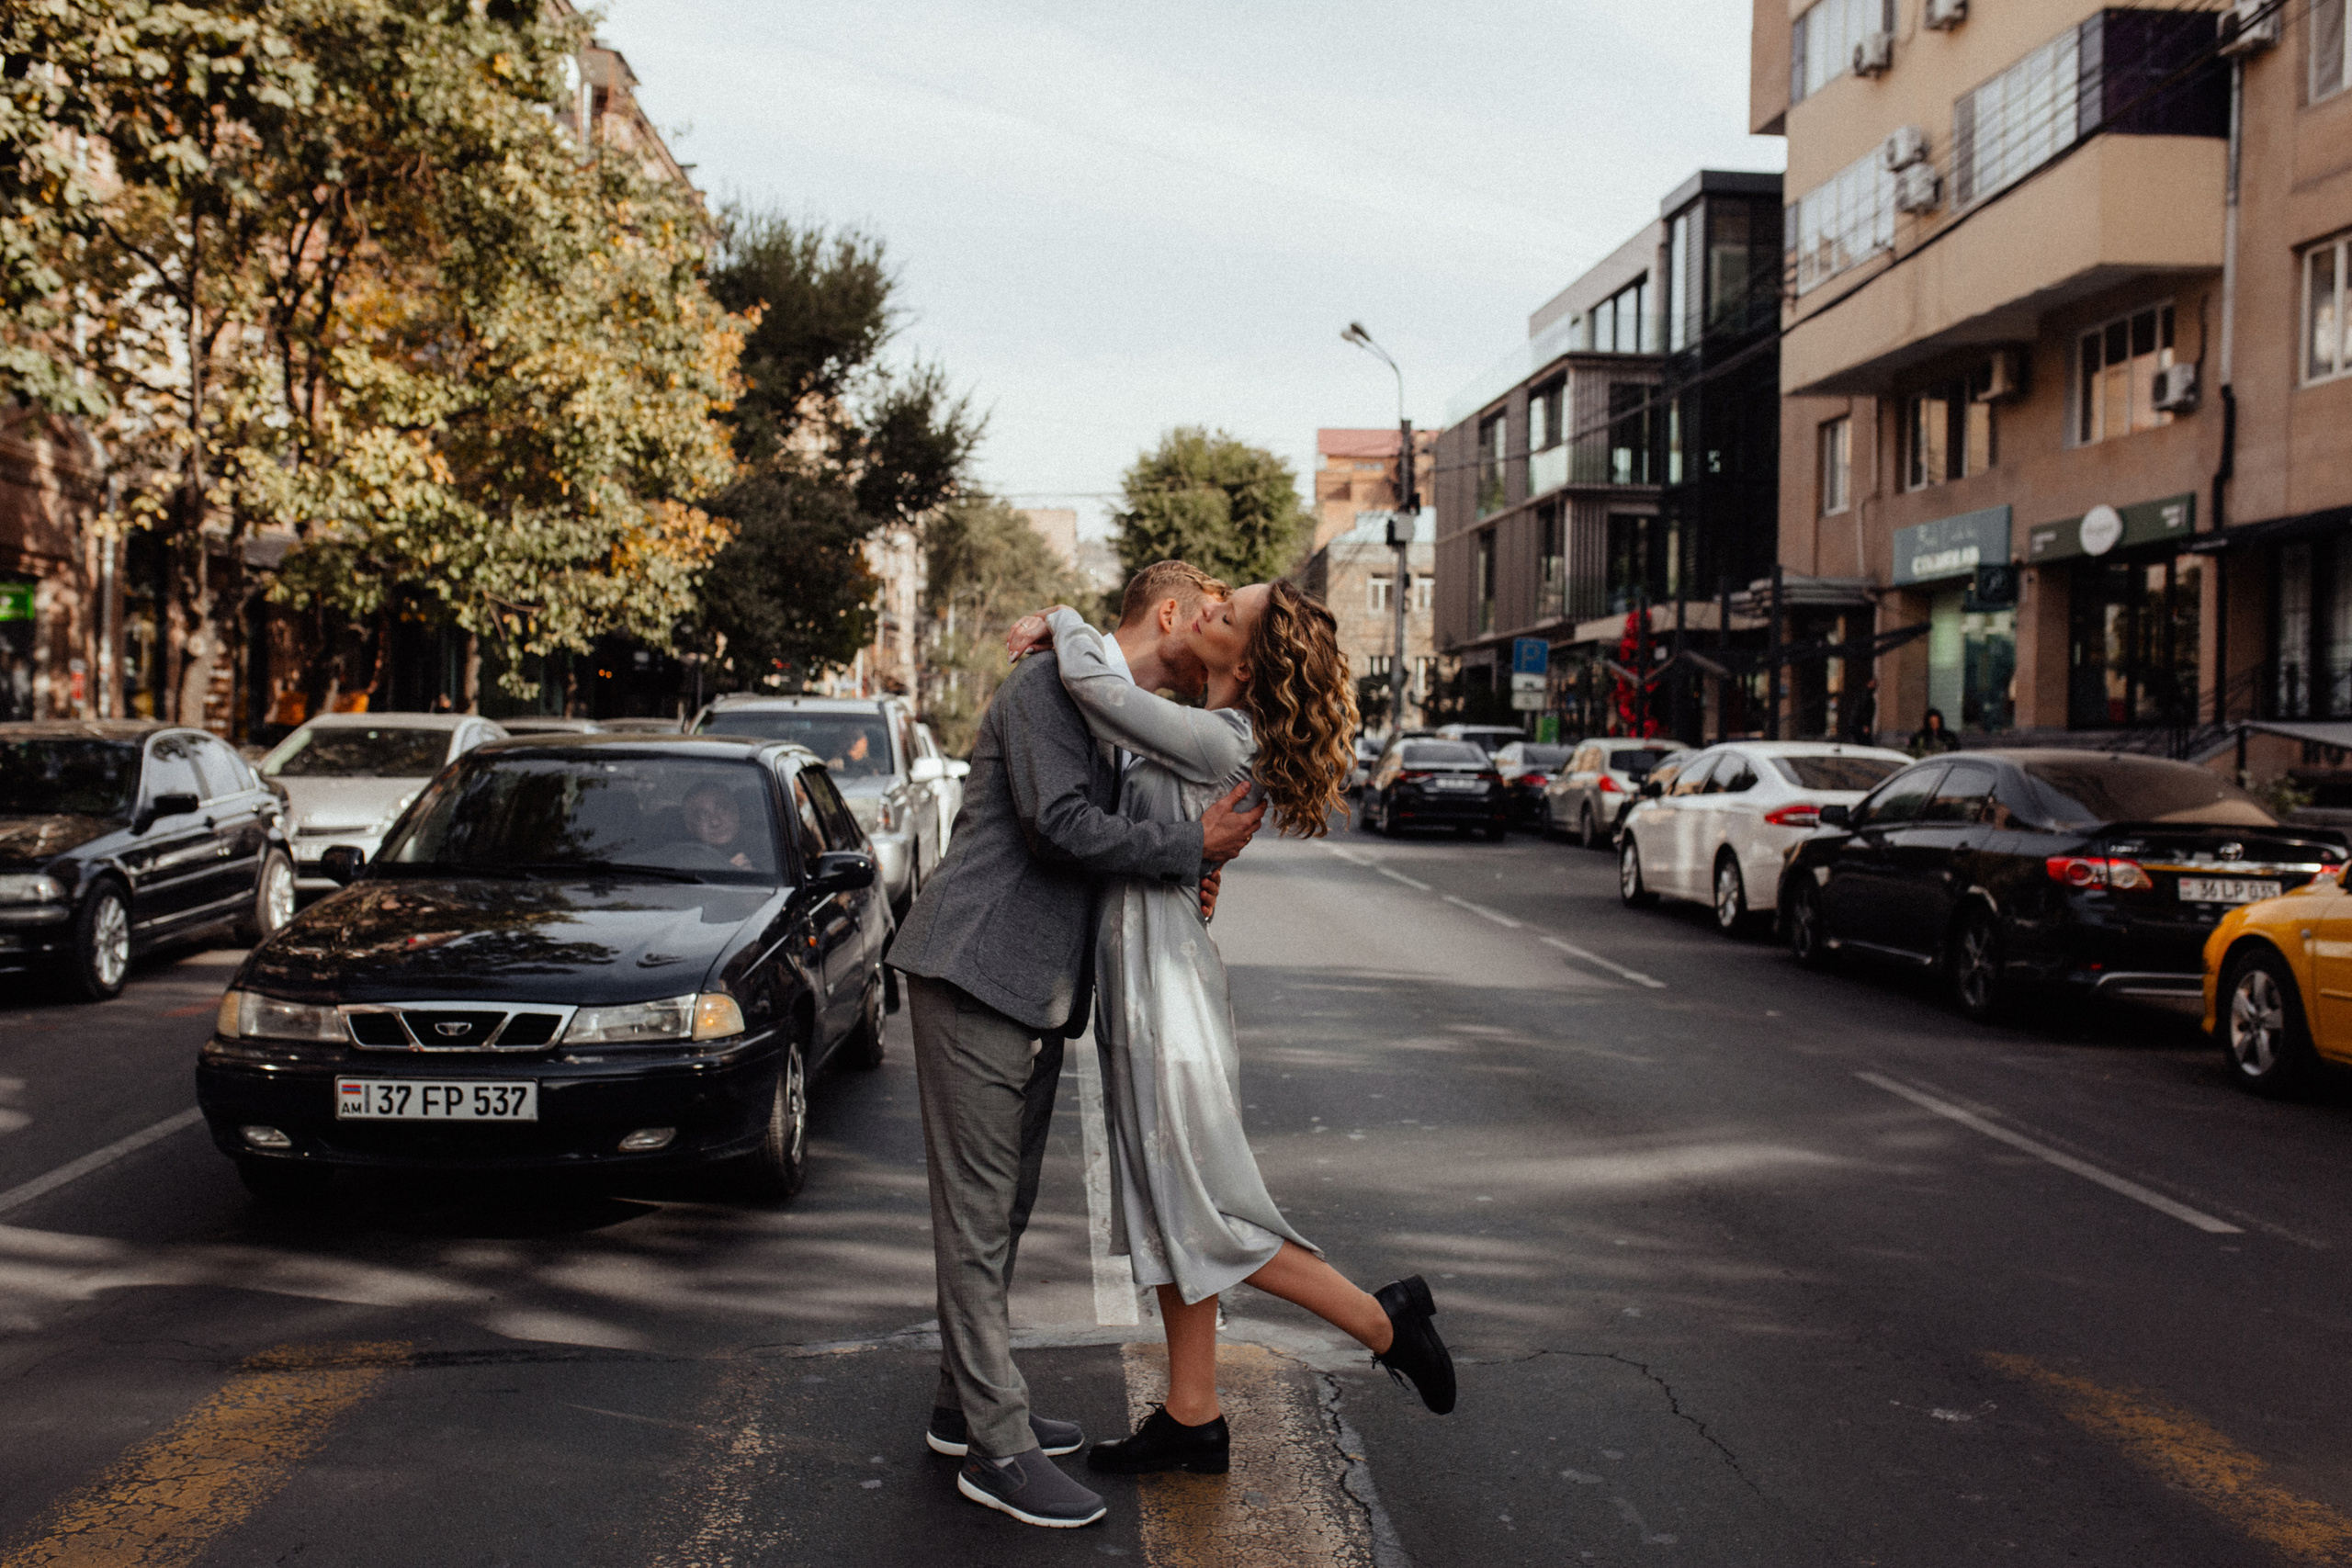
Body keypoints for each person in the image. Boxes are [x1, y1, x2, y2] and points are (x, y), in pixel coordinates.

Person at [1006, 580, 1455, 1486]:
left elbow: (1096, 692)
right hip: (1143, 979)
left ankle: (1381, 1321)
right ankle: (1192, 1413)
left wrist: (1061, 623)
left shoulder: (1221, 736)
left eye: (1224, 614)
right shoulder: (1194, 728)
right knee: (1167, 1207)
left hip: (1166, 995)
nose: (1205, 611)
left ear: (1245, 662)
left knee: (1205, 1210)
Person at [886, 560, 1265, 1530]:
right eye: (1213, 615)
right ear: (1170, 614)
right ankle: (996, 1447)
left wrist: (1195, 866)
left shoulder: (1107, 708)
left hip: (1032, 988)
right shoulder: (1047, 686)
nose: (1219, 634)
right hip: (974, 966)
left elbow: (1125, 831)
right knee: (976, 1224)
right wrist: (1193, 850)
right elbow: (1056, 828)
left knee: (1001, 1213)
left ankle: (956, 1406)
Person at [679, 781, 754, 870]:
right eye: (703, 815)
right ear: (689, 826)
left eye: (721, 809)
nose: (715, 822)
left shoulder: (768, 849)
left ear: (736, 811)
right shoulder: (680, 860)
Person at [1845, 676, 1878, 745]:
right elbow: (1864, 711)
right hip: (1860, 725)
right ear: (1868, 684)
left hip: (1857, 724)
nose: (1875, 686)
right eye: (1873, 684)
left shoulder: (1864, 695)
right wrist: (1865, 725)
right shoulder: (1866, 696)